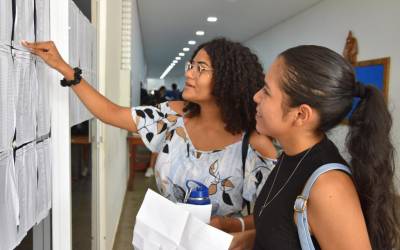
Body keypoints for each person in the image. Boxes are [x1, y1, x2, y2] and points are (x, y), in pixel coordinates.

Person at [22, 38, 277, 233]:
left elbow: (274, 218)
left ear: (228, 79)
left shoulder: (253, 145)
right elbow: (110, 112)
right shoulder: (171, 117)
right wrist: (64, 69)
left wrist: (229, 225)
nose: (189, 73)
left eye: (201, 68)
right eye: (192, 65)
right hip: (161, 239)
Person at [229, 45, 400, 249]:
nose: (256, 96)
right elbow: (284, 232)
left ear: (301, 115)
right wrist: (244, 239)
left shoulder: (328, 187)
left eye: (267, 91)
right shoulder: (291, 155)